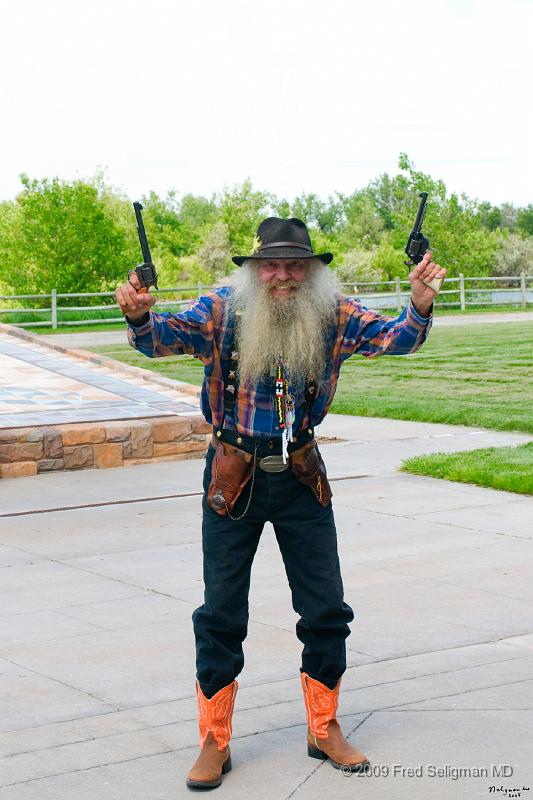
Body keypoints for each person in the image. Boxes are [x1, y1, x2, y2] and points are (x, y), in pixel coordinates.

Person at [115, 217, 445, 790]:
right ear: (254, 269)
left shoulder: (335, 311)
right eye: (273, 264)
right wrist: (139, 313)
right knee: (221, 614)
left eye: (297, 265)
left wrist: (418, 304)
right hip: (232, 480)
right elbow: (162, 336)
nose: (284, 276)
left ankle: (324, 726)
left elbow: (398, 338)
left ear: (313, 270)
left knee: (325, 609)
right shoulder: (221, 309)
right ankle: (214, 740)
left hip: (302, 479)